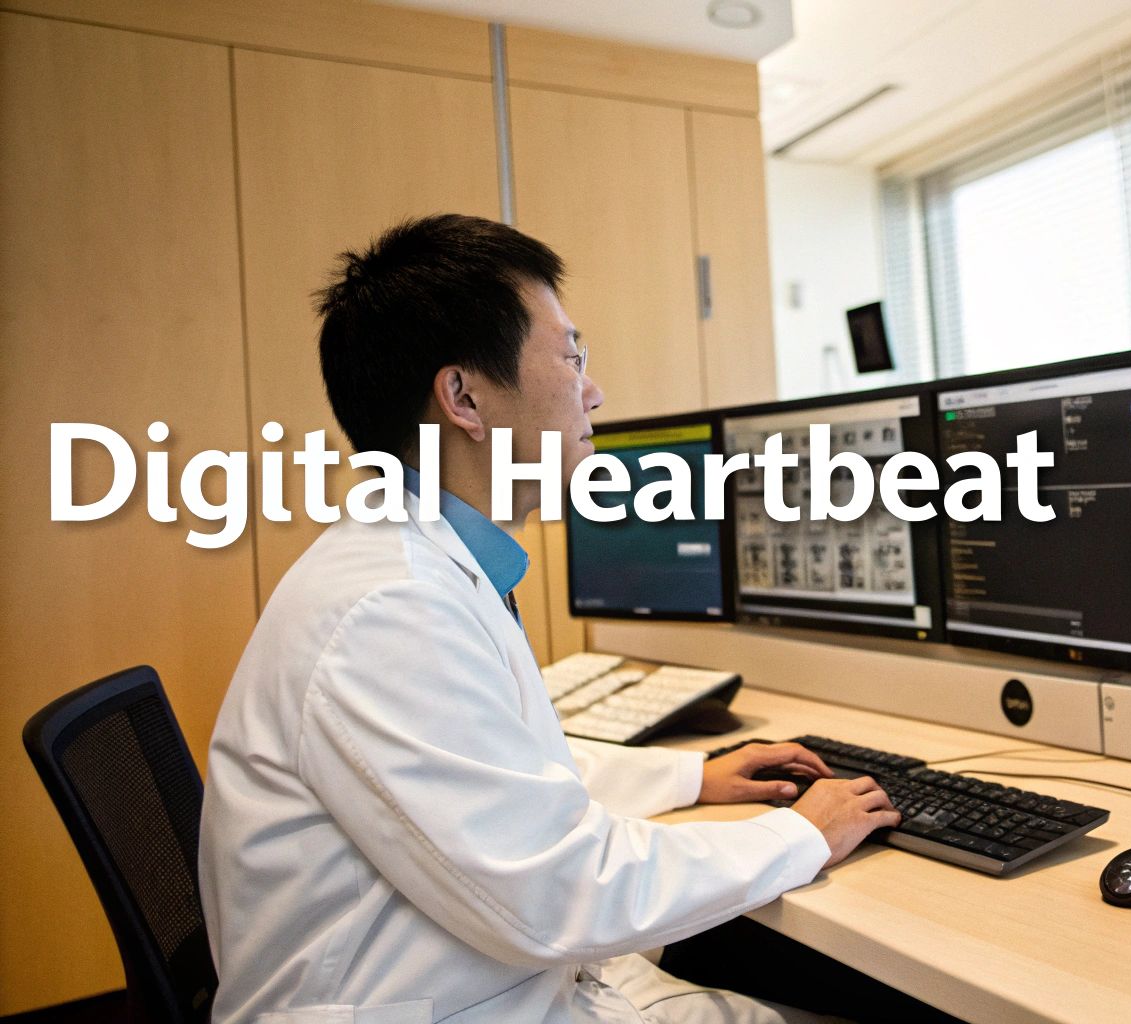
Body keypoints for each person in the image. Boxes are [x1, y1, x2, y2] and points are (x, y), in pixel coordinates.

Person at [198, 214, 901, 1024]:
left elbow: (501, 778)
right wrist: (801, 835)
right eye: (570, 357)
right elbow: (560, 890)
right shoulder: (389, 611)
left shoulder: (415, 566)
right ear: (463, 396)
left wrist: (691, 777)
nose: (592, 390)